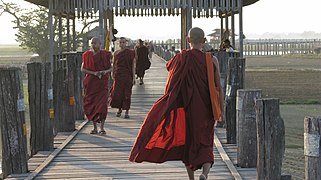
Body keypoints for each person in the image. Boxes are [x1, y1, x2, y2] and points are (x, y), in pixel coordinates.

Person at [129, 27, 224, 180]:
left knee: (188, 142)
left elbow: (171, 75)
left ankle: (191, 178)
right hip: (206, 108)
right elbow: (218, 86)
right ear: (204, 40)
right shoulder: (211, 59)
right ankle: (205, 174)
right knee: (206, 141)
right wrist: (221, 112)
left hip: (187, 107)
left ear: (188, 40)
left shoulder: (181, 58)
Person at [81, 37, 113, 134]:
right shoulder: (87, 55)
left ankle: (102, 127)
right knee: (92, 105)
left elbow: (111, 68)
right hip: (91, 83)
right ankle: (94, 127)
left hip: (102, 84)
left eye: (95, 43)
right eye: (92, 43)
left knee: (102, 105)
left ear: (100, 44)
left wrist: (104, 72)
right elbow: (82, 69)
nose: (93, 45)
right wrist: (93, 73)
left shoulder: (105, 54)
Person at [110, 37, 136, 119]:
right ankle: (119, 109)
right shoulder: (116, 53)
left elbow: (133, 65)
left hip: (128, 75)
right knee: (118, 93)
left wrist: (134, 77)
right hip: (118, 75)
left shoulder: (131, 52)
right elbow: (114, 64)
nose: (122, 44)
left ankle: (127, 111)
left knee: (127, 93)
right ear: (118, 43)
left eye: (123, 42)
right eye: (120, 42)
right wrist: (112, 73)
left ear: (126, 43)